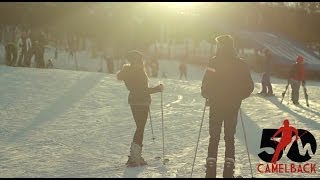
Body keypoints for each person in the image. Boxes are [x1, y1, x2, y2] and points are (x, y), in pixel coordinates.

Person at [201, 35, 254, 178]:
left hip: (216, 105)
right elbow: (249, 86)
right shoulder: (240, 64)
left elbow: (206, 83)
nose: (217, 46)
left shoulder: (213, 62)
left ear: (222, 46)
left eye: (218, 44)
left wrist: (207, 94)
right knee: (229, 137)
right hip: (232, 106)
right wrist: (238, 97)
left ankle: (211, 168)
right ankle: (229, 169)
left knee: (214, 136)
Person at [116, 50, 164, 167]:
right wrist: (157, 89)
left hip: (134, 101)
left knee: (139, 127)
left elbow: (138, 89)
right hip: (141, 102)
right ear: (136, 61)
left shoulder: (130, 72)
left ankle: (134, 155)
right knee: (140, 128)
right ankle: (135, 157)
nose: (142, 62)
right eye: (140, 60)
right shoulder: (137, 72)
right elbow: (142, 90)